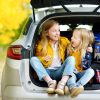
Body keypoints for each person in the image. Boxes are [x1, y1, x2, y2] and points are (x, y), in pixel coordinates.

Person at [30, 20, 75, 95]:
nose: (57, 33)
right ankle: (51, 83)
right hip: (46, 72)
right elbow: (38, 58)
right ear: (47, 33)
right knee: (33, 59)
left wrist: (87, 47)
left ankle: (62, 84)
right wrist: (43, 59)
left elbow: (75, 47)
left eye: (58, 30)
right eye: (54, 31)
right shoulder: (41, 44)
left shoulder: (63, 40)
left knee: (71, 59)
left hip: (59, 71)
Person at [66, 28, 95, 97]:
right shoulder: (69, 49)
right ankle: (72, 87)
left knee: (91, 71)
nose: (71, 38)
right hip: (72, 72)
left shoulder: (86, 51)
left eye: (74, 37)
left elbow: (87, 66)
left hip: (81, 72)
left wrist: (88, 54)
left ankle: (75, 87)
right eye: (72, 36)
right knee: (70, 76)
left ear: (82, 41)